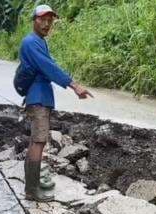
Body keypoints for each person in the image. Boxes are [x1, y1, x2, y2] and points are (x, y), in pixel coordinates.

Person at [20, 4, 93, 202]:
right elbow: (48, 67)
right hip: (38, 99)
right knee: (38, 142)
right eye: (42, 19)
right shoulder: (31, 42)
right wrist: (74, 85)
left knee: (36, 142)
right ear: (34, 20)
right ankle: (32, 191)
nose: (46, 24)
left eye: (50, 20)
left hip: (40, 98)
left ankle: (32, 185)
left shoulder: (39, 42)